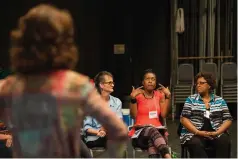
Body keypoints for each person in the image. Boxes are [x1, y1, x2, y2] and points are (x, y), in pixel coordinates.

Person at [0, 4, 127, 158]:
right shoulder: (77, 86)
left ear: (21, 41)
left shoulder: (8, 88)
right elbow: (119, 132)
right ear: (64, 43)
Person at [180, 72, 232, 158]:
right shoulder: (191, 99)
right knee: (195, 143)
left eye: (201, 83)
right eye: (197, 83)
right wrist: (198, 132)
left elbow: (228, 119)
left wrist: (217, 133)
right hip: (194, 133)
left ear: (209, 85)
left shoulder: (219, 100)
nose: (198, 85)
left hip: (215, 132)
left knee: (224, 140)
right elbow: (184, 119)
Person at [129, 69, 171, 158]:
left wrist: (168, 97)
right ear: (143, 82)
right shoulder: (137, 95)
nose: (150, 81)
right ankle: (167, 156)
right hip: (140, 133)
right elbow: (133, 115)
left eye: (153, 79)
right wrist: (133, 98)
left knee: (152, 142)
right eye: (147, 79)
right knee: (152, 130)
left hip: (157, 133)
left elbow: (164, 115)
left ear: (156, 82)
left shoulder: (159, 95)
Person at [83, 71, 123, 148]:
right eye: (109, 83)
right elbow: (86, 127)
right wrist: (98, 132)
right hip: (95, 137)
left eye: (113, 82)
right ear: (101, 85)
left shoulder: (117, 102)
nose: (112, 85)